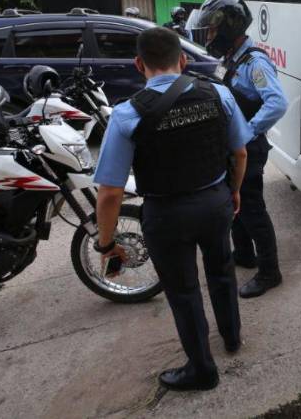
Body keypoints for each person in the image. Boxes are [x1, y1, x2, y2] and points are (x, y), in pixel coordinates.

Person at [93, 27, 253, 391]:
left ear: (139, 64)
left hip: (167, 216)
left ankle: (203, 370)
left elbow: (110, 193)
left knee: (184, 293)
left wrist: (106, 243)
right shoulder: (218, 93)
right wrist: (234, 191)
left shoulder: (127, 114)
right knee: (223, 272)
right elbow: (240, 152)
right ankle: (232, 337)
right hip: (215, 203)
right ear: (182, 60)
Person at [196, 0, 288, 299]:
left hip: (249, 148)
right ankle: (246, 254)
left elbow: (277, 102)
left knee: (252, 210)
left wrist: (246, 132)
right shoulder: (232, 58)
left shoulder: (254, 62)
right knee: (235, 206)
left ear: (229, 27)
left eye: (212, 29)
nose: (209, 36)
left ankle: (270, 272)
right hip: (234, 148)